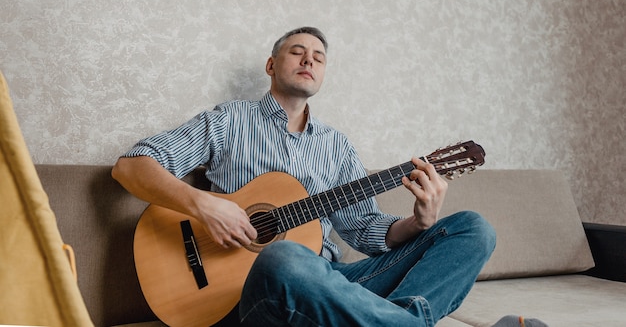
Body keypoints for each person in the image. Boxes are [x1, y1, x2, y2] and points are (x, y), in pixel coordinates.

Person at [112, 27, 497, 327]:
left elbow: (364, 230)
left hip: (332, 284)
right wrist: (204, 204)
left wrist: (419, 222)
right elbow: (131, 166)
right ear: (270, 65)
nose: (308, 60)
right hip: (248, 290)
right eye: (296, 51)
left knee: (472, 228)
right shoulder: (228, 121)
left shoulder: (338, 146)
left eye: (319, 57)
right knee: (285, 255)